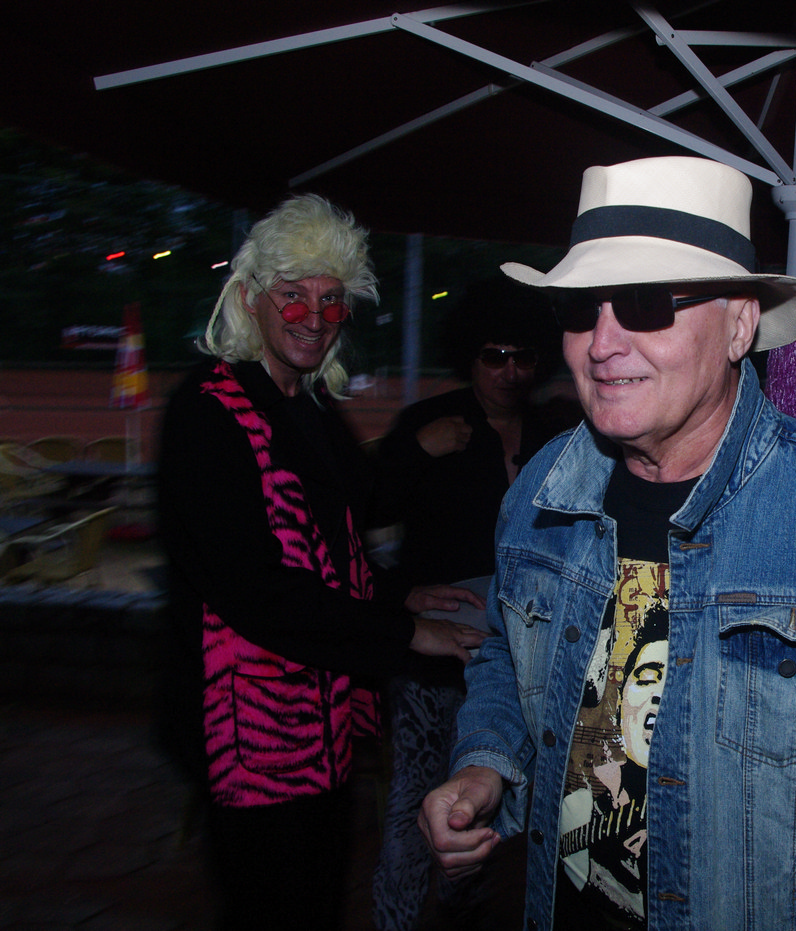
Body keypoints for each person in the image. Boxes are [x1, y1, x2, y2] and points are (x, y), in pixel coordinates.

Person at [418, 155, 796, 930]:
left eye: (646, 303)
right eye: (581, 308)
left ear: (739, 324)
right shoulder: (540, 492)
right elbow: (504, 654)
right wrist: (485, 761)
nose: (601, 343)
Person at [156, 193, 483, 931]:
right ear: (250, 298)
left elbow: (339, 543)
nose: (313, 316)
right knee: (272, 905)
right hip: (245, 730)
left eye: (331, 300)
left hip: (320, 716)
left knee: (316, 895)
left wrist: (400, 595)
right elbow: (255, 588)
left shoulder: (304, 405)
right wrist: (405, 632)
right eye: (293, 295)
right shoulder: (207, 411)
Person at [370, 280, 579, 931]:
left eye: (523, 356)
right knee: (418, 799)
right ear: (469, 355)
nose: (510, 371)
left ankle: (461, 915)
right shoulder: (429, 423)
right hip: (434, 656)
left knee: (493, 801)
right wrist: (415, 450)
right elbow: (353, 519)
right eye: (495, 355)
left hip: (523, 653)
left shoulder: (558, 432)